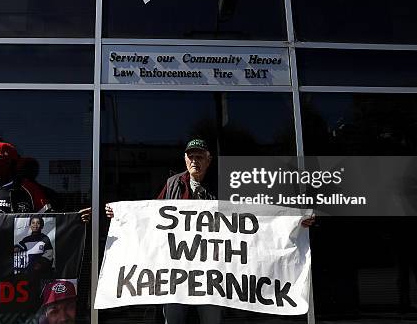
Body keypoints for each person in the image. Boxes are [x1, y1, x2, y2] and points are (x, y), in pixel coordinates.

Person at [106, 138, 315, 324]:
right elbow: (151, 216)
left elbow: (256, 215)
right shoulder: (173, 184)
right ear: (185, 159)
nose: (194, 161)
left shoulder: (223, 186)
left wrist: (295, 220)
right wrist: (123, 215)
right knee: (173, 318)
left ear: (209, 160)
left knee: (211, 318)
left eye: (199, 156)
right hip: (175, 272)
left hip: (212, 274)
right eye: (191, 157)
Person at [0, 142, 91, 222]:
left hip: (15, 255)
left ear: (9, 163)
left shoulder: (30, 190)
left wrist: (75, 218)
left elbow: (50, 220)